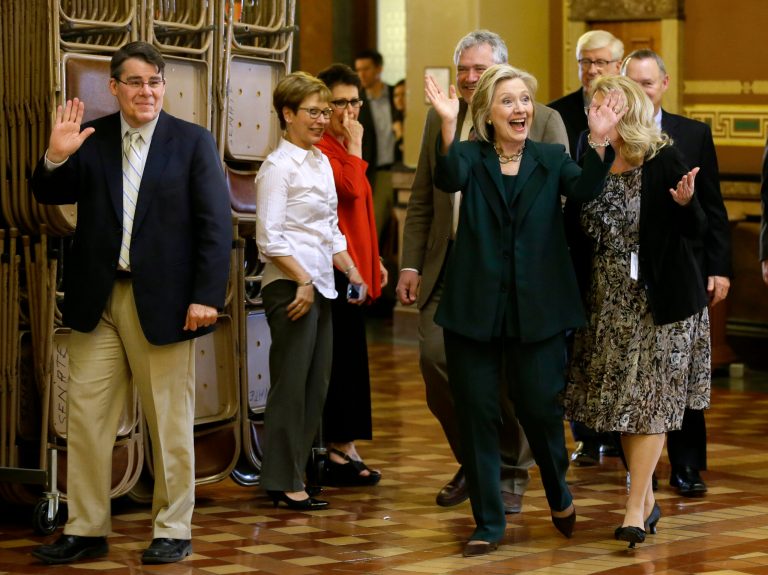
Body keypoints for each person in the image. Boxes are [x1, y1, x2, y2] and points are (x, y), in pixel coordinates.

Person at [30, 41, 232, 565]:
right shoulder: (91, 140)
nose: (147, 91)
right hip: (97, 300)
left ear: (164, 86)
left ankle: (172, 529)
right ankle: (86, 528)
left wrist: (207, 297)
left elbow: (216, 226)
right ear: (114, 87)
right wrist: (56, 155)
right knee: (87, 419)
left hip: (165, 303)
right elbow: (47, 193)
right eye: (136, 82)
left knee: (169, 420)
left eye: (155, 81)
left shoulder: (192, 142)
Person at [424, 63, 625, 556]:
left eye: (524, 100)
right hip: (474, 309)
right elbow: (447, 178)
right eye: (508, 101)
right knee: (477, 415)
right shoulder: (470, 156)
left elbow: (584, 191)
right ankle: (488, 522)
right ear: (487, 113)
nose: (520, 109)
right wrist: (448, 125)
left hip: (537, 309)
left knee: (539, 409)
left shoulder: (552, 157)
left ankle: (557, 488)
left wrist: (599, 143)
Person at [396, 29, 569, 515]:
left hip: (515, 278)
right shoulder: (442, 118)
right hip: (449, 269)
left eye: (479, 69)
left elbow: (558, 202)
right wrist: (409, 262)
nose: (470, 78)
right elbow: (425, 195)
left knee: (511, 381)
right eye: (463, 70)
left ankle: (508, 472)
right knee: (435, 362)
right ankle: (478, 461)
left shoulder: (544, 121)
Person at [564, 75, 710, 548]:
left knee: (649, 405)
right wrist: (597, 150)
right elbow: (575, 220)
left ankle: (632, 510)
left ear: (632, 108)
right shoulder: (589, 158)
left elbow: (698, 228)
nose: (605, 109)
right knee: (624, 408)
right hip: (608, 303)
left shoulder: (663, 155)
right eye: (598, 104)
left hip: (661, 303)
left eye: (614, 102)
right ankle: (646, 501)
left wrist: (687, 205)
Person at [255, 71, 367, 510]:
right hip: (290, 286)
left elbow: (330, 229)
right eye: (314, 112)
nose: (323, 120)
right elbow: (269, 237)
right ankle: (282, 479)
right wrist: (302, 279)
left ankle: (295, 470)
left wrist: (354, 272)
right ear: (287, 114)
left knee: (316, 386)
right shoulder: (276, 168)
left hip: (320, 284)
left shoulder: (320, 161)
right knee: (291, 384)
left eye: (327, 111)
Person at [622, 48, 731, 497]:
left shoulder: (692, 134)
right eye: (633, 82)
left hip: (681, 273)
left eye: (647, 83)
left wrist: (719, 268)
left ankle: (686, 467)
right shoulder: (610, 138)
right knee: (634, 377)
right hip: (627, 281)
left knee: (680, 377)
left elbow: (713, 207)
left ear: (664, 84)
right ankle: (636, 473)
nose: (640, 91)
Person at [315, 63, 388, 486]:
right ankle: (339, 450)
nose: (348, 112)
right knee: (342, 357)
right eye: (338, 103)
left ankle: (347, 445)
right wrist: (356, 149)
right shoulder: (323, 147)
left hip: (356, 263)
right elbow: (352, 192)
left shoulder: (344, 144)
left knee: (353, 355)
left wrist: (373, 257)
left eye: (354, 102)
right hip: (333, 266)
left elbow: (362, 211)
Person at [549, 30, 623, 159]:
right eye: (585, 62)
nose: (592, 70)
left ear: (618, 66)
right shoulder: (555, 113)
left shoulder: (634, 110)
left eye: (600, 62)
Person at [354, 49, 398, 240]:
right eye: (358, 70)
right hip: (375, 173)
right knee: (373, 230)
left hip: (399, 169)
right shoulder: (358, 103)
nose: (361, 74)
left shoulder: (397, 95)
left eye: (366, 69)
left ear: (379, 69)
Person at [392, 78, 406, 166]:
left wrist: (400, 135)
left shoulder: (417, 120)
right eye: (396, 95)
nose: (399, 99)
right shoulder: (396, 119)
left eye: (403, 95)